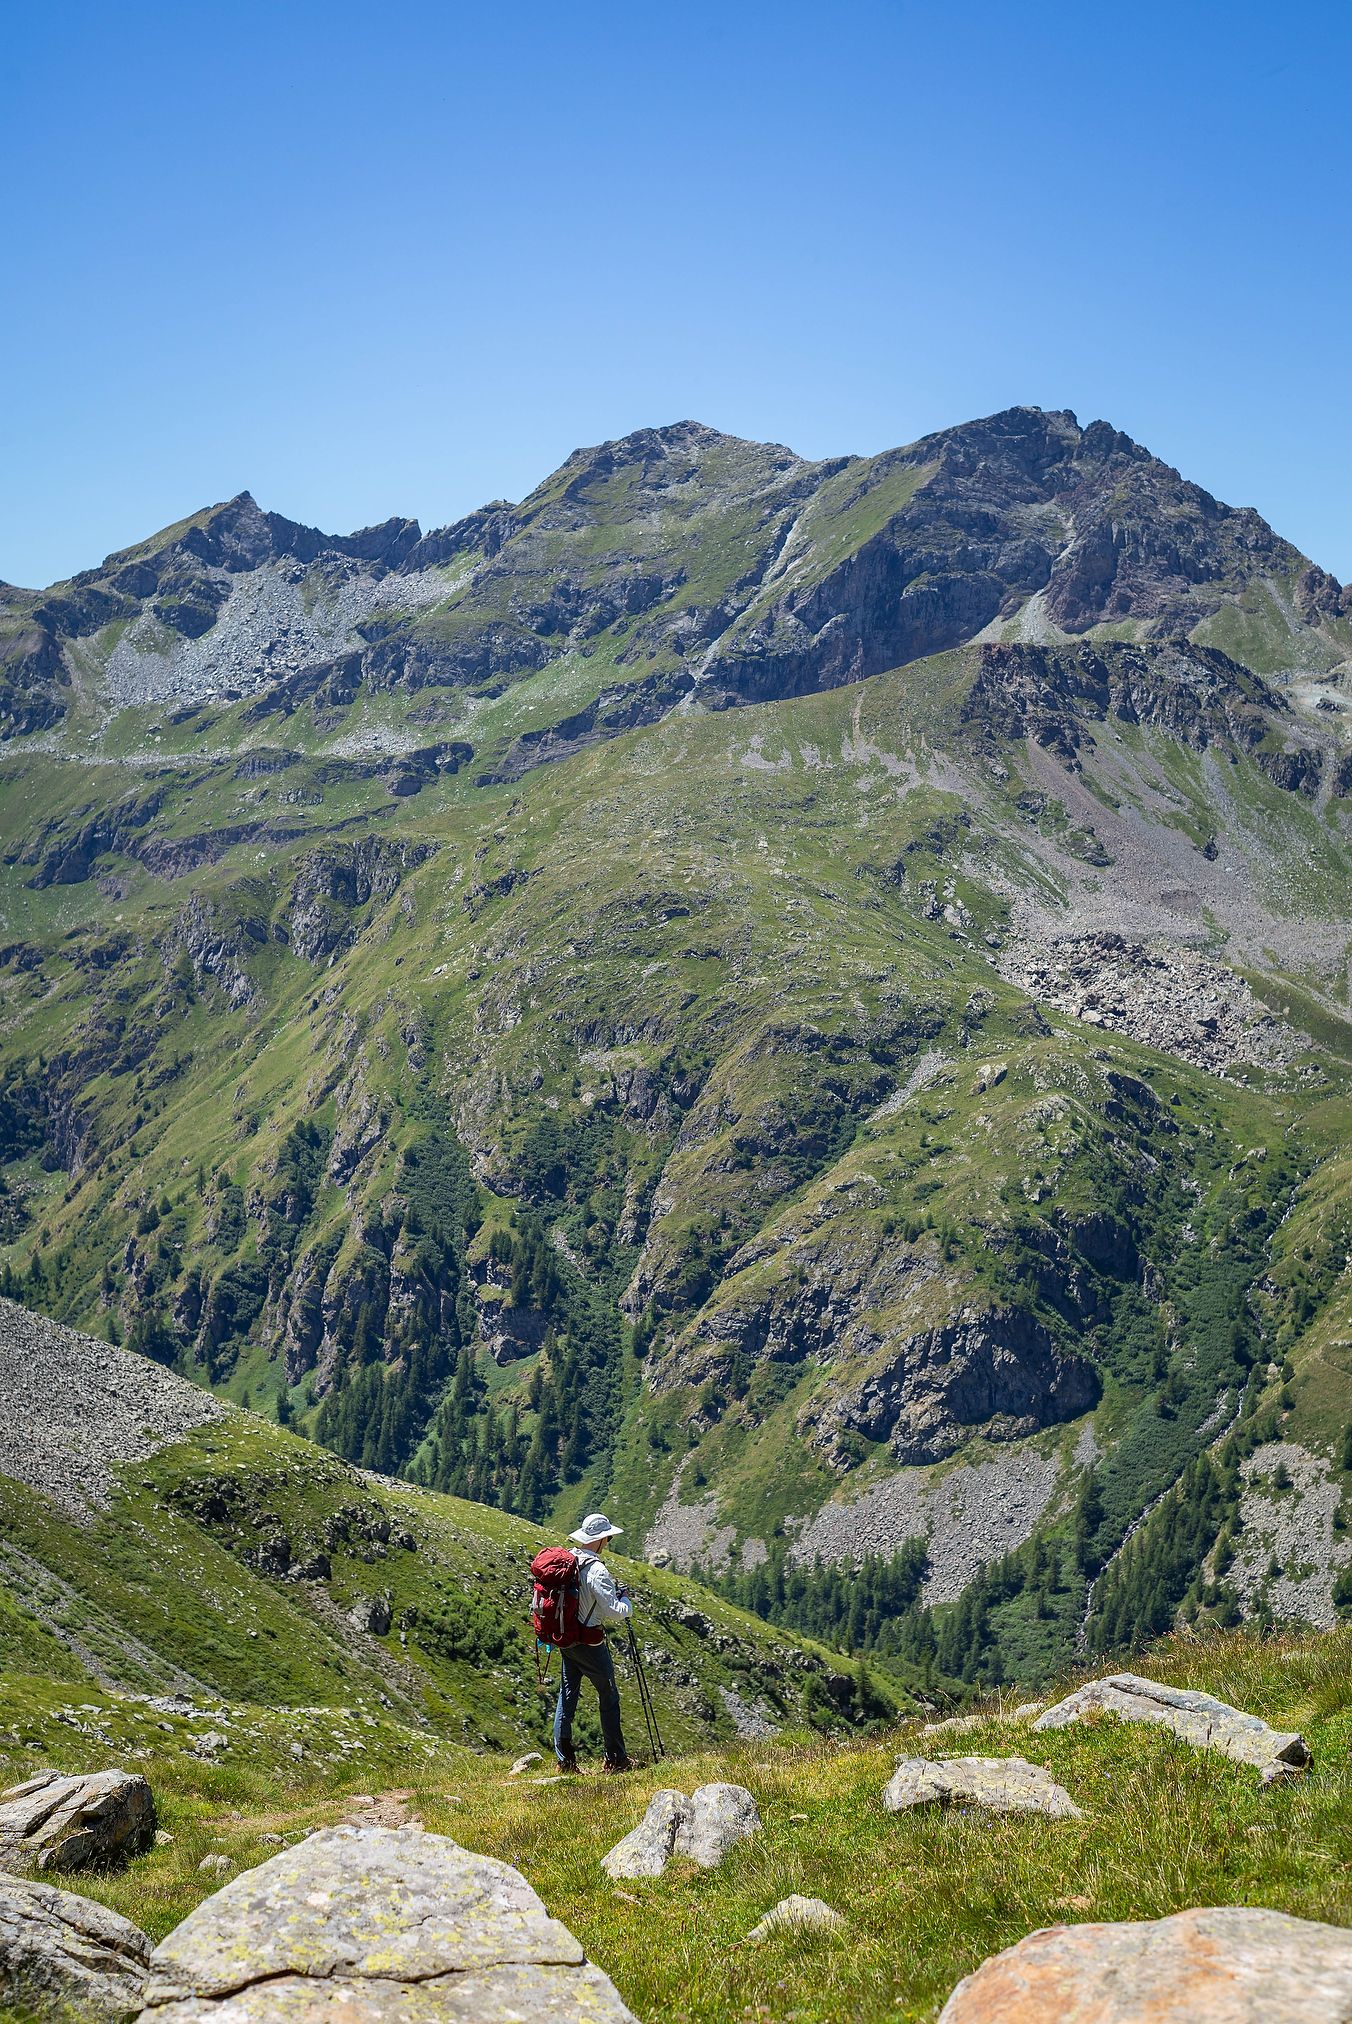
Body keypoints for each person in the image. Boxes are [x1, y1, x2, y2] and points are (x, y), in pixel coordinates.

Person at [554, 1511, 632, 1774]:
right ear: (599, 1540)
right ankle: (615, 1758)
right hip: (590, 1642)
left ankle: (565, 1761)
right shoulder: (596, 1569)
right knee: (608, 1695)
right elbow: (613, 1610)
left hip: (566, 1639)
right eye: (607, 1539)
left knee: (567, 1697)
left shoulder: (568, 1559)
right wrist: (627, 1603)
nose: (607, 1543)